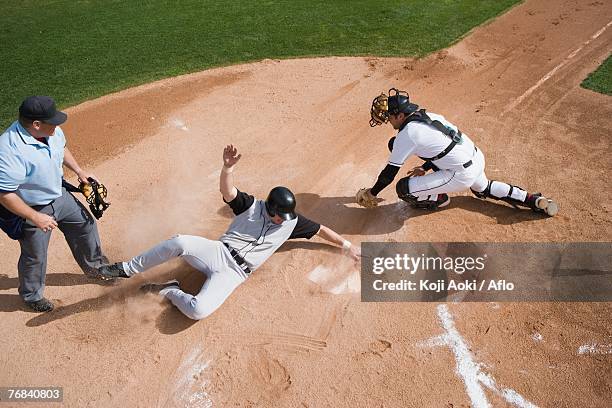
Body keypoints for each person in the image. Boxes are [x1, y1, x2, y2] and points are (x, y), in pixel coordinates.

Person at [100, 145, 361, 320]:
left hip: (235, 274)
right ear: (271, 208)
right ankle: (126, 268)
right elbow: (228, 192)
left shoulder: (291, 222)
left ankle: (168, 290)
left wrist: (348, 247)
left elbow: (321, 230)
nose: (284, 220)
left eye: (288, 216)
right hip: (217, 252)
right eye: (281, 215)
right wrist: (228, 168)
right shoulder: (250, 206)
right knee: (180, 241)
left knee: (198, 311)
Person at [356, 88, 558, 216]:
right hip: (476, 157)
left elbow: (389, 175)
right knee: (483, 188)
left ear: (400, 115)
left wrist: (371, 193)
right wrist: (425, 167)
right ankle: (532, 200)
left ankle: (439, 199)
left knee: (404, 189)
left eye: (390, 117)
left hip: (460, 173)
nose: (388, 121)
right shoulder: (428, 115)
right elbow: (443, 145)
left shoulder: (408, 134)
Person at [0, 96, 111, 312]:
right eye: (53, 121)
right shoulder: (8, 150)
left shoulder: (50, 131)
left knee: (85, 226)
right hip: (32, 208)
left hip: (59, 195)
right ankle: (31, 295)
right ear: (36, 124)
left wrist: (79, 171)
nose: (58, 125)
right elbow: (5, 194)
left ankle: (96, 268)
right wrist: (35, 217)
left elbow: (62, 148)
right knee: (35, 255)